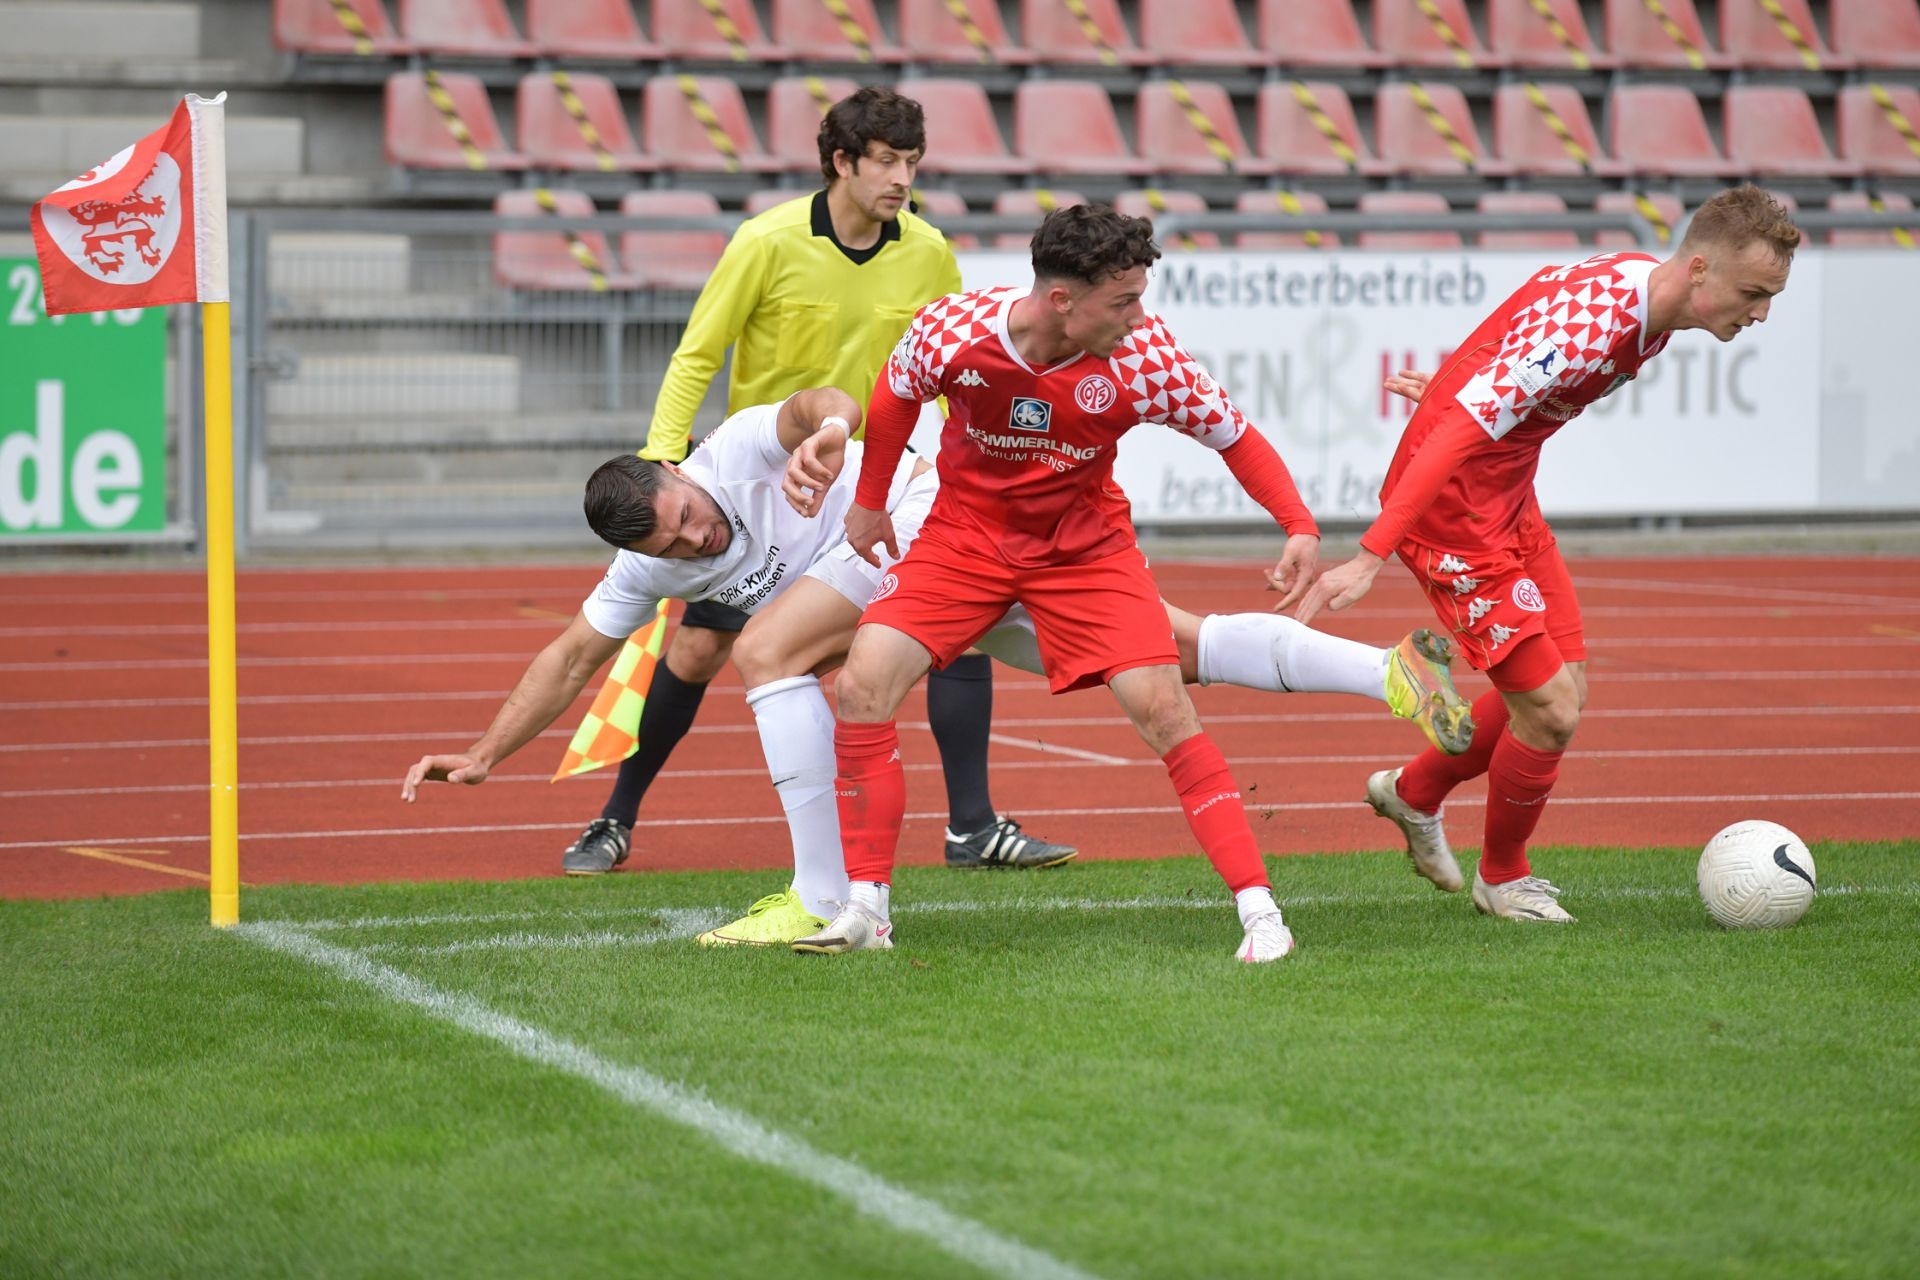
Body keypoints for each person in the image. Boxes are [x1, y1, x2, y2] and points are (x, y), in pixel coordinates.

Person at [402, 386, 1473, 949]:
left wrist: (828, 435)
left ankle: (827, 899)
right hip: (952, 577)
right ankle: (1382, 668)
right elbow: (573, 653)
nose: (693, 539)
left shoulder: (736, 448)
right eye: (676, 546)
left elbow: (821, 400)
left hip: (929, 533)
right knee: (1177, 654)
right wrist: (488, 753)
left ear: (680, 470)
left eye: (688, 517)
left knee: (771, 647)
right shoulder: (648, 559)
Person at [793, 204, 1330, 964]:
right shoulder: (952, 328)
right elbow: (893, 393)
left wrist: (1298, 524)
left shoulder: (1148, 357)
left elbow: (1234, 436)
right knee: (861, 686)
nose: (1138, 316)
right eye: (1122, 301)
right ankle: (867, 911)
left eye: (1140, 296)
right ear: (1059, 301)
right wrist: (871, 501)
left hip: (1085, 551)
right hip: (964, 539)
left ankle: (1262, 914)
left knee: (1163, 708)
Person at [562, 86, 1073, 879]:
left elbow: (951, 367)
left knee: (954, 626)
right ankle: (614, 817)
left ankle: (971, 827)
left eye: (913, 161)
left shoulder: (930, 249)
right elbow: (698, 354)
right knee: (697, 651)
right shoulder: (764, 243)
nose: (903, 177)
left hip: (883, 487)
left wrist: (966, 457)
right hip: (768, 494)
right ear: (841, 162)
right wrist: (667, 461)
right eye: (887, 161)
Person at [1296, 185, 1801, 923]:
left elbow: (1516, 327)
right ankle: (1502, 876)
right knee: (1553, 711)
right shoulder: (1603, 327)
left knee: (1563, 689)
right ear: (1698, 269)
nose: (1760, 314)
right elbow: (1463, 433)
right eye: (1754, 292)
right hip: (1454, 514)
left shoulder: (1645, 292)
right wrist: (1372, 551)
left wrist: (1453, 389)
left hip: (1506, 495)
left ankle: (1414, 793)